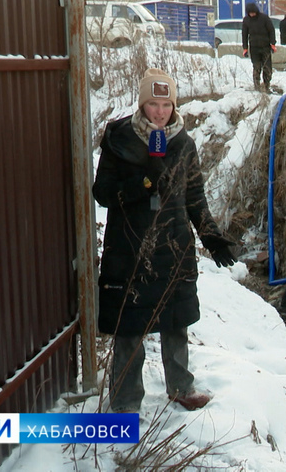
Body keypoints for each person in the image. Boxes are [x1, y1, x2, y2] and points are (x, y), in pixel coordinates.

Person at [93, 68, 239, 414]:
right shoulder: (119, 140)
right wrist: (144, 182)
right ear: (142, 105)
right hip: (130, 249)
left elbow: (195, 198)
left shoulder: (183, 144)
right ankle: (126, 405)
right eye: (153, 104)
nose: (160, 112)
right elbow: (102, 193)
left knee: (176, 321)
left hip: (172, 246)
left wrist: (213, 237)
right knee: (130, 329)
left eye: (166, 105)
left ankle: (181, 387)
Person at [241, 3, 276, 91]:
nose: (252, 14)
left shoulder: (264, 18)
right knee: (256, 67)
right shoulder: (246, 20)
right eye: (250, 13)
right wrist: (245, 48)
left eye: (253, 13)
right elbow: (244, 34)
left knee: (267, 68)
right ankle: (257, 87)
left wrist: (273, 43)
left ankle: (266, 86)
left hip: (265, 47)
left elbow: (271, 30)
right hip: (254, 48)